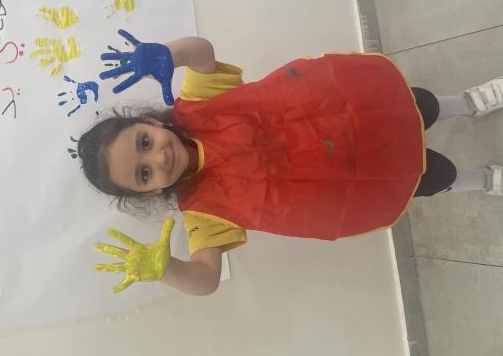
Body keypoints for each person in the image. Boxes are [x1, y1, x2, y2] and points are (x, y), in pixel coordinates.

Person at [78, 30, 503, 296]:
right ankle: (483, 180)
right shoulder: (201, 213)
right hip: (351, 178)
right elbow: (206, 279)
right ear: (151, 192)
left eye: (145, 141)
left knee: (418, 105)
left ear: (151, 122)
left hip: (346, 110)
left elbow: (202, 52)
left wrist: (169, 54)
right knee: (433, 176)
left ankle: (467, 103)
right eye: (144, 173)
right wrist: (167, 269)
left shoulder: (197, 102)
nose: (159, 156)